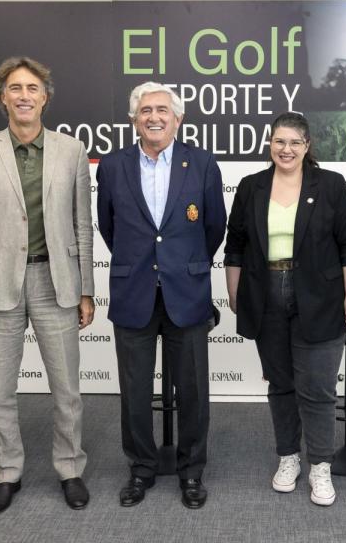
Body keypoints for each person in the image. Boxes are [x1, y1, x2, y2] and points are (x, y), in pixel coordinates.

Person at [0, 56, 95, 515]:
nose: (24, 96)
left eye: (32, 88)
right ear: (3, 98)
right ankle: (6, 474)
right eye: (15, 88)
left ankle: (70, 469)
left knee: (67, 389)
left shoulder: (72, 151)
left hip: (57, 281)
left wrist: (86, 288)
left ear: (45, 97)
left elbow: (82, 225)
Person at [96, 82, 226, 509]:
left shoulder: (202, 163)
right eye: (146, 110)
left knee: (193, 391)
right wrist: (143, 261)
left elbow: (214, 227)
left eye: (162, 110)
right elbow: (108, 226)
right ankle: (141, 469)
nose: (154, 117)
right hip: (132, 291)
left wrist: (182, 264)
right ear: (134, 119)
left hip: (186, 292)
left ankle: (192, 473)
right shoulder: (113, 166)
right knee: (134, 392)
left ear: (178, 118)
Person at [224, 112, 346, 506]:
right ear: (270, 143)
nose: (286, 149)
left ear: (307, 146)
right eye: (279, 141)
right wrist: (235, 293)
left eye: (294, 143)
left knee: (317, 389)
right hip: (264, 294)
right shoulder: (251, 186)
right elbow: (235, 246)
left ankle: (320, 465)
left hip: (320, 296)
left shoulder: (331, 185)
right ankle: (288, 457)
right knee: (281, 384)